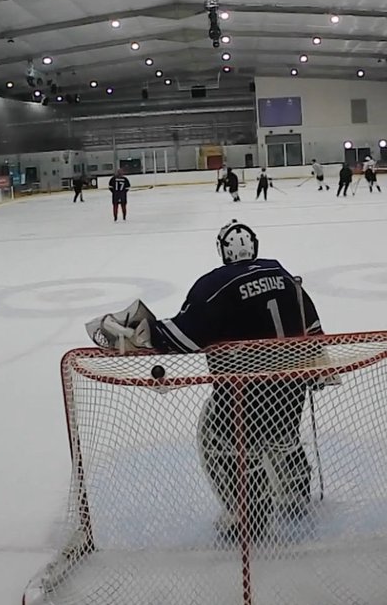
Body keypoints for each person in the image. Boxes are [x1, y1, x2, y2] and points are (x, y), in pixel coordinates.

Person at [85, 220, 327, 540]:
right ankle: (295, 499)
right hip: (290, 386)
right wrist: (318, 371)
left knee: (225, 443)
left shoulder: (215, 284)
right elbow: (312, 329)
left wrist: (141, 331)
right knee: (284, 435)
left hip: (243, 392)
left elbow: (184, 337)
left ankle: (249, 519)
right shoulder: (284, 275)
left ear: (223, 251)